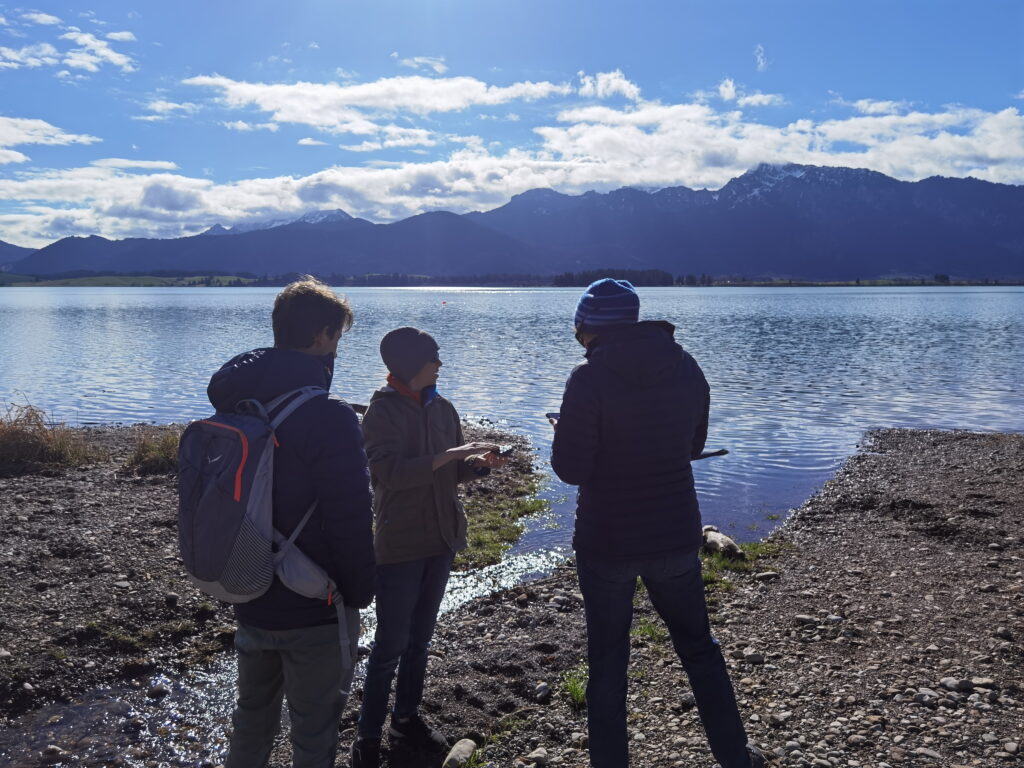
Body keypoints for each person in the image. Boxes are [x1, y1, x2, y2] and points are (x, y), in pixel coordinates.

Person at [550, 278, 765, 768]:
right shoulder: (685, 365)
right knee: (699, 649)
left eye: (579, 325)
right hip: (674, 534)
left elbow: (571, 470)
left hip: (607, 542)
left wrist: (566, 433)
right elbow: (691, 448)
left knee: (607, 663)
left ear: (589, 326)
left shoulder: (587, 379)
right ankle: (735, 757)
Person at [208, 277, 375, 768]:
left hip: (248, 587)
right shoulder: (329, 417)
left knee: (251, 718)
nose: (336, 350)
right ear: (322, 336)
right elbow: (350, 516)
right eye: (337, 339)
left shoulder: (236, 404)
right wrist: (361, 592)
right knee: (314, 731)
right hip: (314, 603)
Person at [350, 326, 505, 768]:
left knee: (420, 641)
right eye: (434, 357)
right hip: (400, 545)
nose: (440, 363)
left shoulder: (444, 408)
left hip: (442, 539)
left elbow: (450, 475)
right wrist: (453, 455)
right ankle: (366, 738)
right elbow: (391, 475)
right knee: (389, 645)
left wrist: (476, 467)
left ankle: (405, 719)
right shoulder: (381, 414)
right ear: (411, 364)